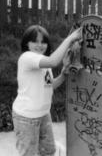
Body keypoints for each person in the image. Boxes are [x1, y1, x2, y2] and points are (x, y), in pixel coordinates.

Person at [12, 25, 81, 156]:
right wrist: (70, 39)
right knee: (28, 154)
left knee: (49, 151)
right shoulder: (27, 58)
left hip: (43, 115)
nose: (40, 45)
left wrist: (64, 73)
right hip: (26, 118)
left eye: (43, 41)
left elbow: (50, 85)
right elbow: (53, 61)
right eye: (35, 41)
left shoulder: (44, 65)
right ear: (27, 44)